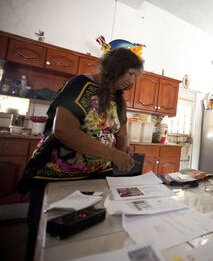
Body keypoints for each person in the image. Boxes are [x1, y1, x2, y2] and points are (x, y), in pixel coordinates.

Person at [17, 47, 144, 261]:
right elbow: (64, 130)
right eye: (130, 73)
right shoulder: (80, 85)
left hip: (96, 178)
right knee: (46, 241)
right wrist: (114, 155)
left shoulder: (118, 99)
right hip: (57, 175)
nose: (132, 81)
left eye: (136, 76)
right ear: (115, 67)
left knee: (87, 238)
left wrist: (125, 149)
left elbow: (121, 132)